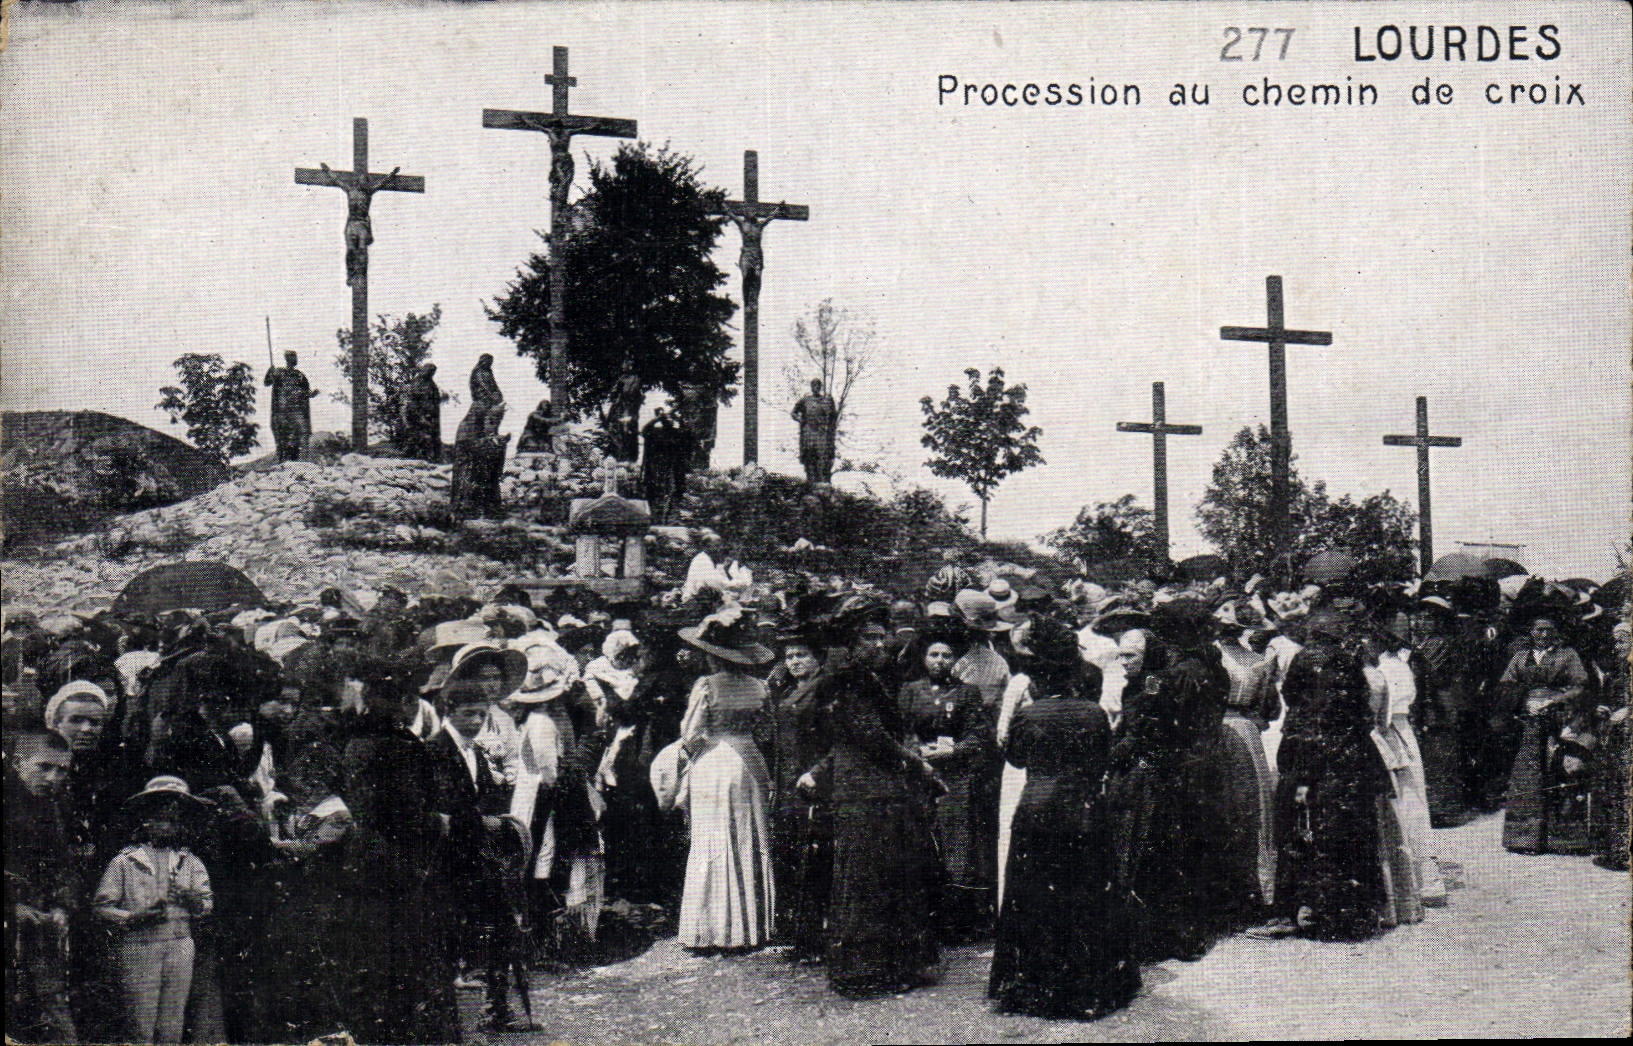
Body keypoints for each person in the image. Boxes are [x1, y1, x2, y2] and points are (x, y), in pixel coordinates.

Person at [988, 618, 1139, 1020]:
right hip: (1084, 811)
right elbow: (1104, 759)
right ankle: (1085, 987)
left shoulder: (1030, 714)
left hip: (1036, 810)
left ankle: (1034, 985)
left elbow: (1016, 758)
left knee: (1034, 897)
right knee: (1085, 897)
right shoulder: (1093, 714)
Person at [801, 596, 941, 996]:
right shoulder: (846, 680)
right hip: (864, 790)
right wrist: (918, 764)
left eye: (882, 637)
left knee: (885, 872)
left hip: (876, 786)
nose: (880, 644)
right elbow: (870, 736)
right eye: (870, 638)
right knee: (866, 875)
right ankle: (864, 968)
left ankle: (891, 964)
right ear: (851, 642)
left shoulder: (869, 677)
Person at [333, 660, 462, 1044]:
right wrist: (437, 822)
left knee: (376, 958)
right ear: (403, 702)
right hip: (403, 864)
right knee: (410, 957)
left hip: (366, 861)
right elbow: (407, 812)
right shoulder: (399, 745)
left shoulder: (355, 741)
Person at [1107, 597, 1237, 961]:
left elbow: (1152, 723)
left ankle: (1171, 936)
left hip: (1177, 769)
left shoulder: (1170, 676)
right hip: (1209, 762)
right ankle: (1194, 929)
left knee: (1167, 850)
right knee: (1196, 846)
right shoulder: (1215, 669)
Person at [1254, 607, 1391, 941]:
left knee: (1298, 834)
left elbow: (1292, 700)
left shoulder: (1306, 674)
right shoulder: (1350, 666)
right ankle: (1349, 914)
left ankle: (1294, 912)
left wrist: (1300, 771)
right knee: (1348, 836)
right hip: (1350, 764)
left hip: (1312, 764)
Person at [674, 606, 777, 951]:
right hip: (750, 761)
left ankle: (713, 928)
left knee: (713, 837)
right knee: (748, 835)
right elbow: (766, 731)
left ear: (712, 655)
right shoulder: (759, 687)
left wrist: (691, 752)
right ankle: (750, 927)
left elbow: (691, 734)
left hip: (714, 761)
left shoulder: (706, 685)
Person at [94, 777, 214, 1045]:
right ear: (145, 821)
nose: (168, 825)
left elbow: (206, 904)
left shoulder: (189, 862)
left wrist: (192, 900)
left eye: (174, 820)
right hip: (139, 945)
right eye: (160, 818)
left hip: (180, 944)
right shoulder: (125, 862)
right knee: (141, 1020)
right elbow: (102, 907)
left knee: (172, 1021)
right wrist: (132, 917)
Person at [897, 633, 996, 940]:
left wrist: (953, 751)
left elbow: (978, 734)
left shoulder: (967, 692)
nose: (940, 661)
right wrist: (916, 752)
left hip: (955, 777)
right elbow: (903, 730)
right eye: (934, 655)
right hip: (920, 775)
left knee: (957, 844)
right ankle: (925, 920)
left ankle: (957, 922)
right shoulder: (910, 691)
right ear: (923, 658)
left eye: (946, 655)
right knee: (922, 841)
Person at [755, 624, 833, 960]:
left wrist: (818, 773)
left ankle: (820, 938)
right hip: (787, 788)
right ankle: (802, 937)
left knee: (815, 860)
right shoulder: (785, 690)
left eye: (802, 655)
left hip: (814, 786)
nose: (795, 662)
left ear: (819, 658)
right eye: (789, 656)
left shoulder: (824, 690)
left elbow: (838, 742)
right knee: (791, 858)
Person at [5, 732, 78, 1044]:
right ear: (19, 763)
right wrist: (11, 906)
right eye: (44, 767)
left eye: (61, 770)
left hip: (39, 929)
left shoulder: (54, 807)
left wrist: (62, 905)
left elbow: (65, 864)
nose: (53, 778)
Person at [1497, 614, 1590, 854]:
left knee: (1558, 772)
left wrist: (1554, 701)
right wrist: (1524, 702)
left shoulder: (1567, 655)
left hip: (1559, 721)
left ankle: (1561, 841)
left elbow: (1580, 686)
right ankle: (1524, 839)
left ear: (1556, 632)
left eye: (1549, 630)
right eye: (1539, 630)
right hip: (1529, 722)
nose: (1544, 634)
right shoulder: (1520, 657)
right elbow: (1507, 685)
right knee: (1528, 776)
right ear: (1531, 632)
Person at [1212, 601, 1281, 913]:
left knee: (1241, 801)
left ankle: (1244, 888)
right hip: (1243, 728)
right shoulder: (1257, 660)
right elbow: (1267, 708)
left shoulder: (1221, 657)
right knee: (1245, 802)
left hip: (1225, 726)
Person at [264, 350, 319, 462]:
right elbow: (267, 382)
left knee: (300, 435)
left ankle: (299, 461)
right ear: (287, 359)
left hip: (297, 411)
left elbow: (306, 392)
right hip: (282, 411)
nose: (295, 359)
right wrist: (270, 372)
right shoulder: (279, 372)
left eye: (295, 357)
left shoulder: (300, 375)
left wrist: (312, 394)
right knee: (283, 437)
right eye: (292, 357)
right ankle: (283, 461)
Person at [791, 378, 838, 484]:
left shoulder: (826, 401)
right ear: (811, 387)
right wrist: (801, 420)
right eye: (814, 385)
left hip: (821, 434)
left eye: (818, 386)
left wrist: (829, 429)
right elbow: (794, 413)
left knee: (823, 458)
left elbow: (833, 417)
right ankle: (810, 482)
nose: (816, 388)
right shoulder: (805, 400)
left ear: (820, 387)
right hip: (809, 433)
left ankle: (822, 483)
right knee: (809, 458)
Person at [400, 362, 444, 462]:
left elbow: (435, 398)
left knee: (432, 435)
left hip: (431, 413)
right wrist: (420, 414)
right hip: (420, 412)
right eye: (430, 371)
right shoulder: (418, 382)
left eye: (433, 372)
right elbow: (415, 398)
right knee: (420, 434)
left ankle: (431, 457)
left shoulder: (431, 383)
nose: (432, 373)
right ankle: (416, 455)